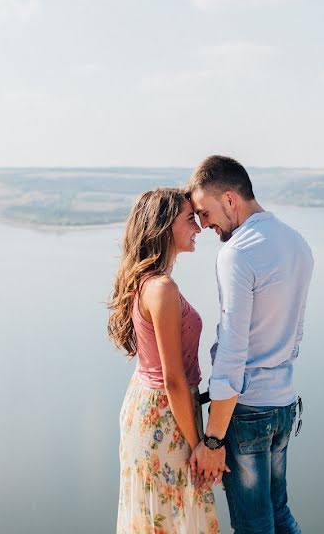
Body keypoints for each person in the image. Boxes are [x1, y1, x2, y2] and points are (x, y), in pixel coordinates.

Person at [187, 156, 313, 534]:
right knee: (279, 513)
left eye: (205, 213)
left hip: (248, 412)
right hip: (285, 404)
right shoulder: (297, 242)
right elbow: (295, 336)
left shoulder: (237, 253)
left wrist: (212, 439)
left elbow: (232, 351)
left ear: (229, 199)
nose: (203, 224)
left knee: (254, 526)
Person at [109, 187, 221, 534]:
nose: (199, 228)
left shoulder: (147, 282)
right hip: (165, 414)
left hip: (150, 407)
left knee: (159, 514)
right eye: (190, 219)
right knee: (174, 514)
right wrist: (201, 445)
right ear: (164, 227)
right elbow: (173, 379)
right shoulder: (161, 288)